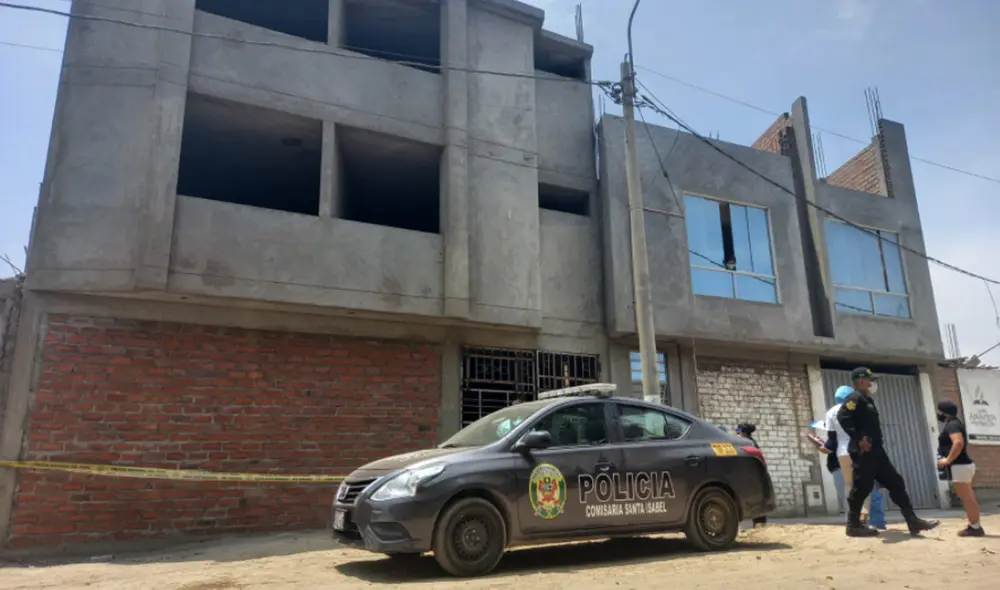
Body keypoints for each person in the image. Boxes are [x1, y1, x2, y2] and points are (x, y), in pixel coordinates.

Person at [837, 367, 939, 537]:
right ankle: (853, 525)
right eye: (870, 380)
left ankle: (912, 521)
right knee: (862, 488)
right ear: (861, 381)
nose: (872, 383)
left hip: (877, 451)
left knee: (896, 483)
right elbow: (843, 417)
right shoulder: (854, 399)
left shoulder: (867, 399)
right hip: (864, 451)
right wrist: (858, 437)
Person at [936, 399, 984, 537]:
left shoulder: (952, 425)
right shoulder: (956, 423)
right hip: (963, 465)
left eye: (940, 412)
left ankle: (975, 527)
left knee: (967, 497)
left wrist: (947, 460)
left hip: (960, 466)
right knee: (968, 496)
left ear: (944, 413)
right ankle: (974, 525)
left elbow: (958, 443)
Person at [825, 385, 871, 524]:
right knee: (864, 482)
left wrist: (822, 446)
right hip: (859, 449)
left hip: (842, 452)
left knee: (849, 484)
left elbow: (832, 439)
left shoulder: (830, 412)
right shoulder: (858, 409)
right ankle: (863, 514)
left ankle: (851, 515)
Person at [736, 423, 767, 527]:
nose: (737, 432)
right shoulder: (750, 442)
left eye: (738, 430)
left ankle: (759, 524)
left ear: (744, 432)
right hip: (751, 476)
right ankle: (759, 523)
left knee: (755, 500)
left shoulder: (749, 443)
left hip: (753, 477)